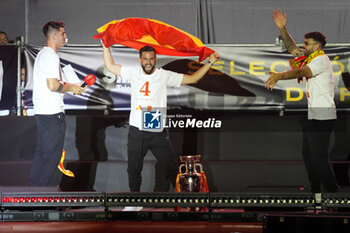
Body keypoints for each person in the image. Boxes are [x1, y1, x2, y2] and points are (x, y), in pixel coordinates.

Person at [102, 43, 219, 192]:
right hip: (137, 131)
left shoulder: (164, 75)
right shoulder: (133, 73)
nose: (148, 62)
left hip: (157, 130)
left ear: (155, 59)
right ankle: (134, 203)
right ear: (140, 60)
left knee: (172, 167)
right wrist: (105, 45)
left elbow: (192, 79)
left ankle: (184, 202)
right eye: (145, 59)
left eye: (151, 59)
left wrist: (210, 62)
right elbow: (110, 66)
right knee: (133, 169)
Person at [266, 9, 338, 193]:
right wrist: (283, 29)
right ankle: (317, 196)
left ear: (318, 46)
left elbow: (301, 72)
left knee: (319, 158)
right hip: (314, 116)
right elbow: (292, 49)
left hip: (323, 116)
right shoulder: (309, 58)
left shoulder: (321, 60)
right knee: (308, 156)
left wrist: (280, 76)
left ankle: (333, 198)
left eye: (307, 43)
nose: (304, 46)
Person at [28, 22, 85, 186]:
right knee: (52, 157)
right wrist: (72, 88)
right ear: (54, 35)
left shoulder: (42, 54)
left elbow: (53, 84)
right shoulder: (51, 55)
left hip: (43, 112)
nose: (65, 36)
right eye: (63, 33)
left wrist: (71, 87)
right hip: (52, 113)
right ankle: (44, 199)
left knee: (42, 154)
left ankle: (33, 196)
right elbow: (52, 85)